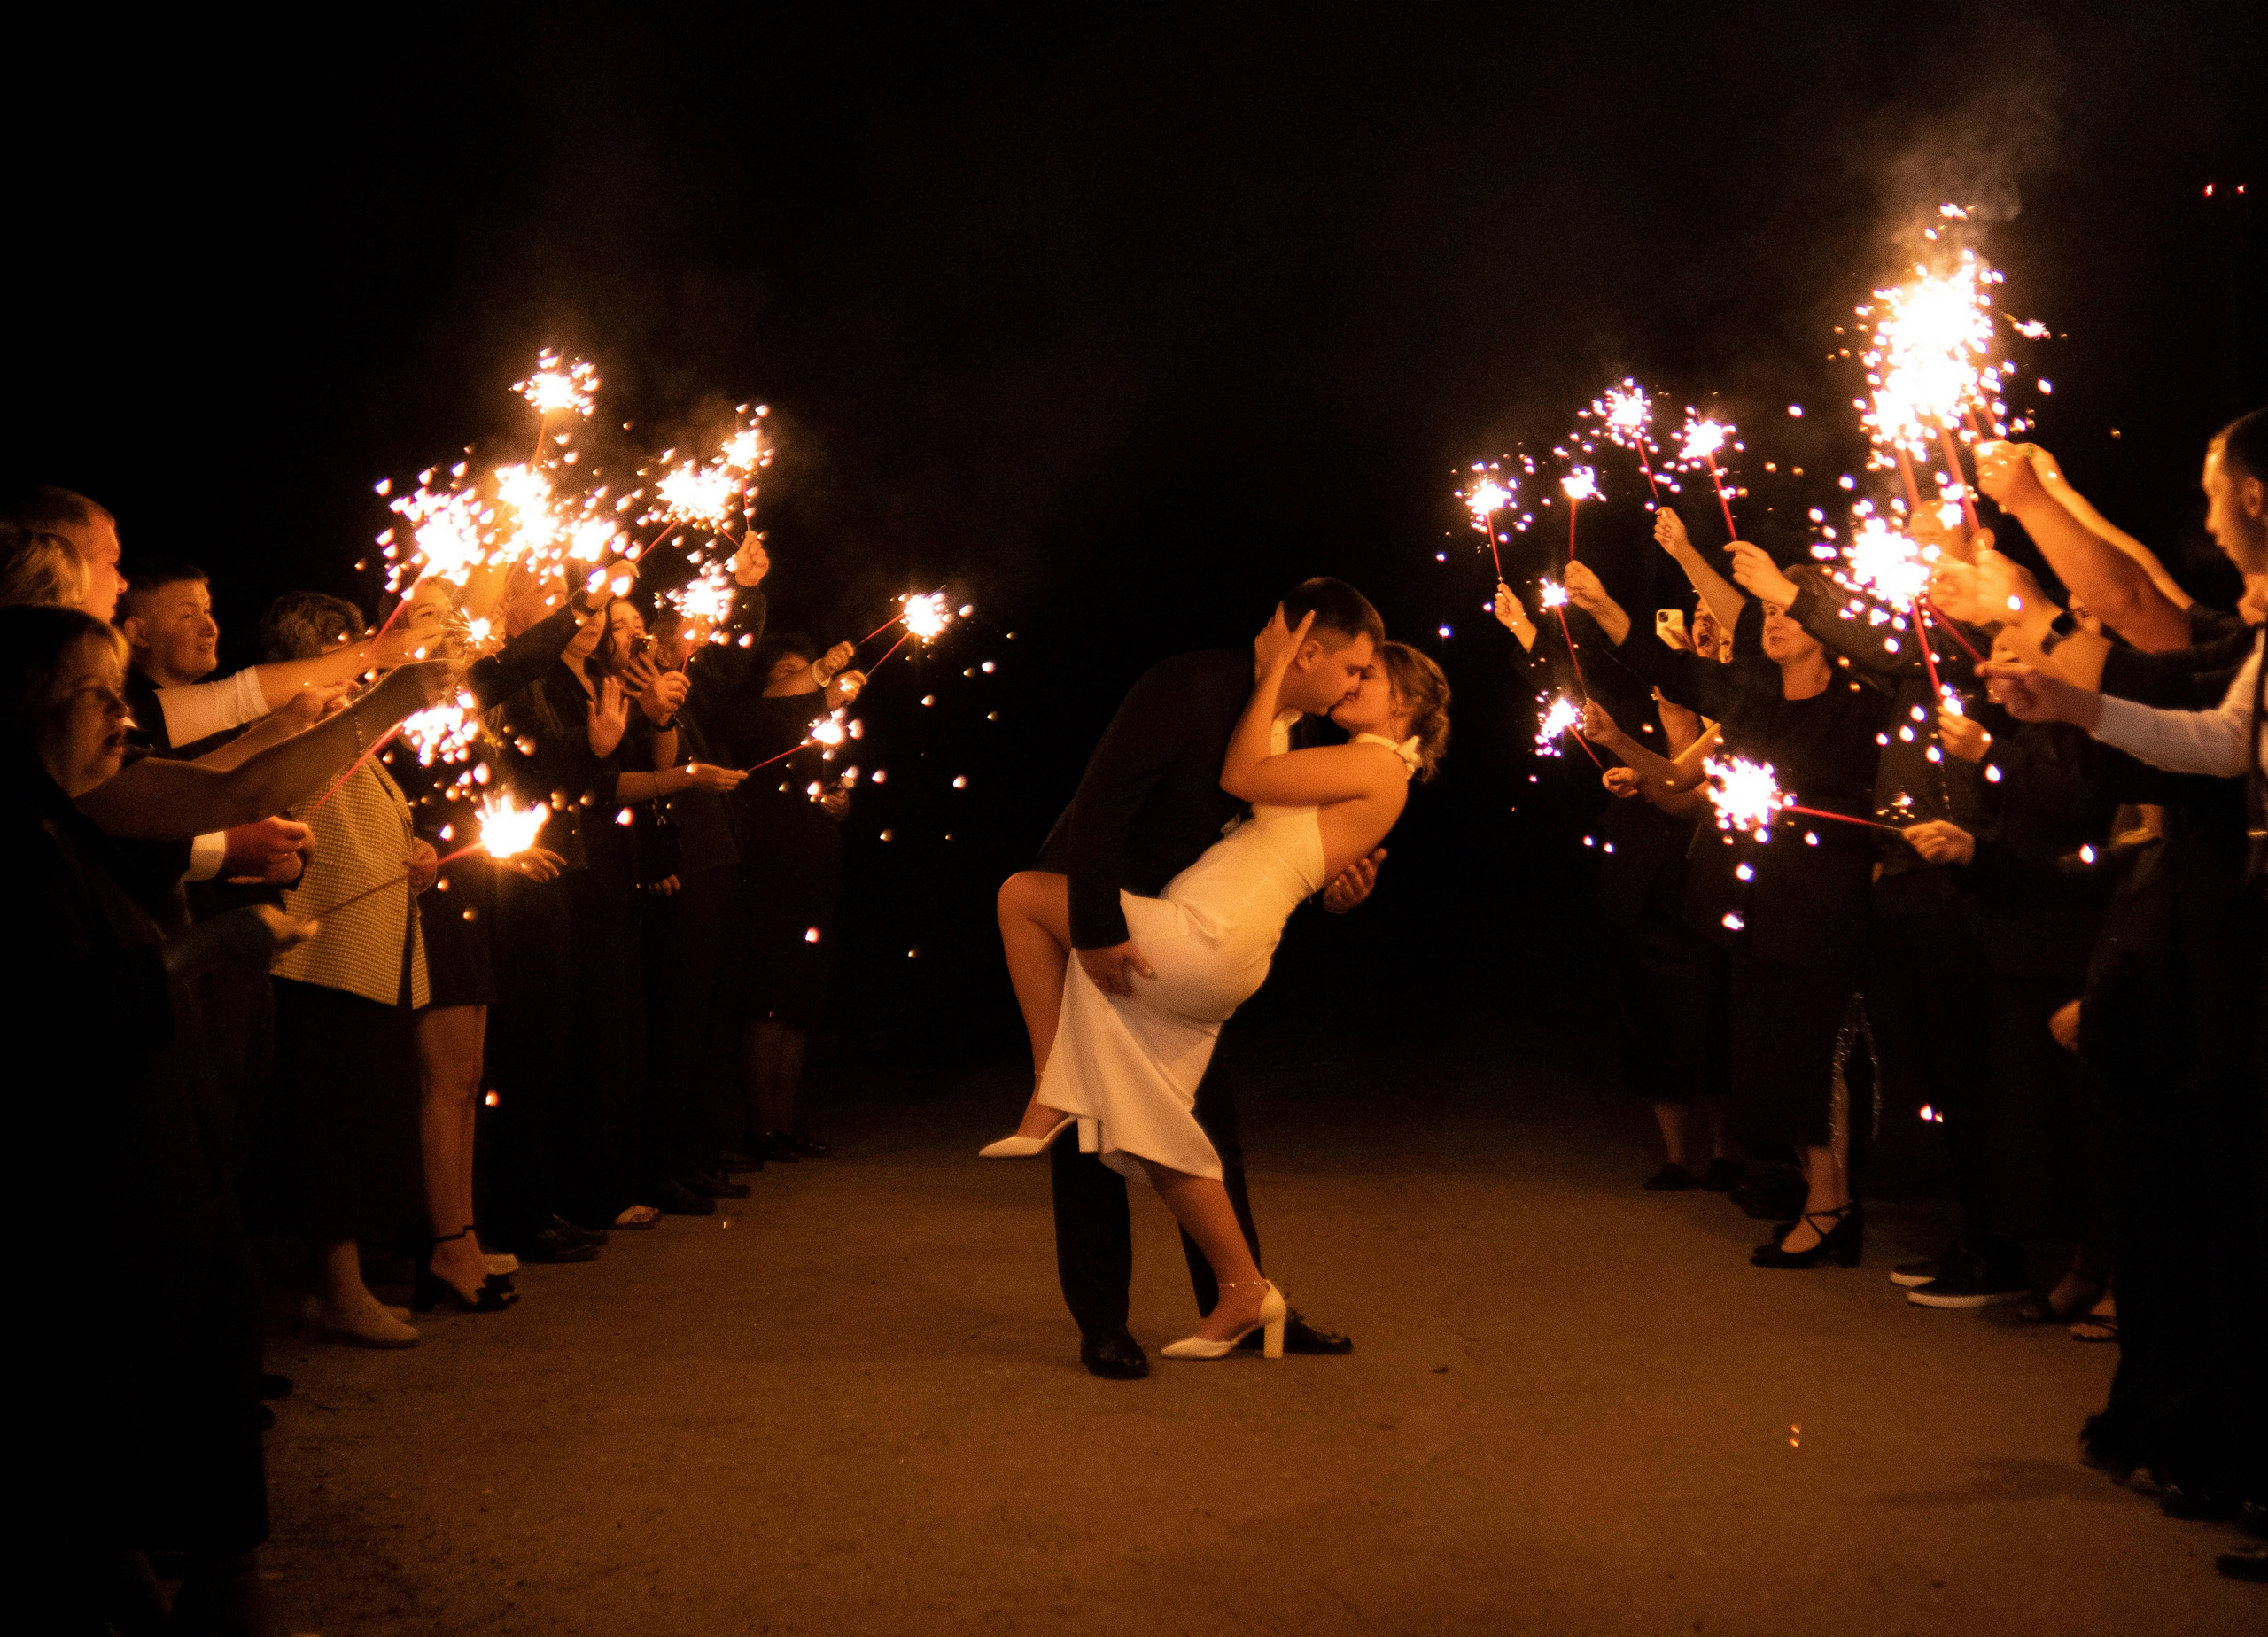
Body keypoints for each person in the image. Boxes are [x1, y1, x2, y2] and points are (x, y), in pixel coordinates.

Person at [5, 600, 427, 1634]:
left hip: (130, 1153)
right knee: (85, 1414)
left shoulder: (65, 814)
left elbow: (245, 762)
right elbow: (74, 1003)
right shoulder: (23, 841)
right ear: (22, 709)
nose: (122, 718)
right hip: (70, 1185)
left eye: (119, 695)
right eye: (93, 697)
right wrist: (214, 945)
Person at [990, 578, 1389, 1378]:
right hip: (1104, 914)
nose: (1353, 686)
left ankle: (1241, 1301)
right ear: (1306, 650)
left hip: (1180, 938)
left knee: (1212, 1125)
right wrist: (1097, 931)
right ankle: (1103, 1323)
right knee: (1089, 1123)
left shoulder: (1293, 725)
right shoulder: (1188, 684)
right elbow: (1099, 805)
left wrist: (1339, 889)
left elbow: (1262, 857)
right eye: (1352, 667)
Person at [703, 630, 865, 1163]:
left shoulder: (815, 732)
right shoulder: (751, 722)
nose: (803, 682)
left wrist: (838, 803)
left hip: (814, 875)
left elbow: (825, 783)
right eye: (788, 673)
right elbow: (776, 715)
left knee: (799, 1003)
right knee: (768, 997)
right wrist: (819, 678)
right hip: (770, 873)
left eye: (807, 671)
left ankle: (786, 1122)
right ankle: (760, 1125)